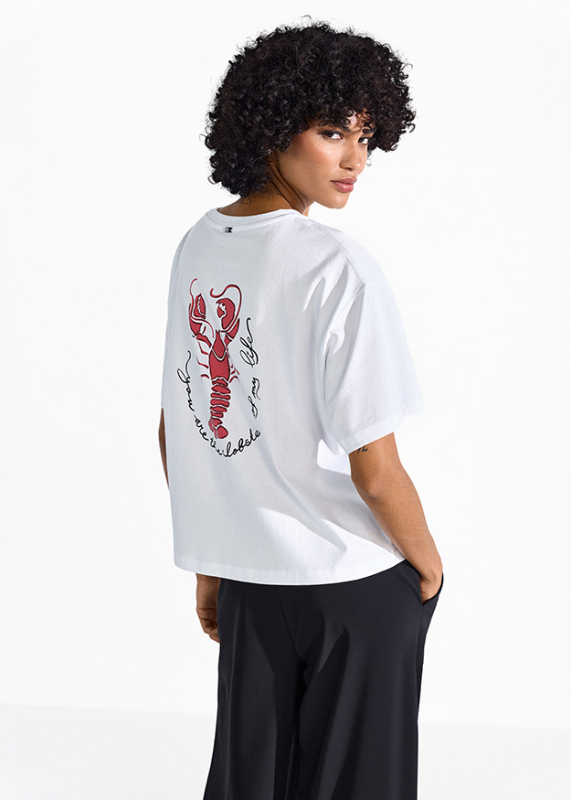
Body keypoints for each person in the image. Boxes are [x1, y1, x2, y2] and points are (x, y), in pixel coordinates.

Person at [158, 18, 444, 800]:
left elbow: (179, 427)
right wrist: (426, 564)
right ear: (271, 127)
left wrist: (214, 567)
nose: (355, 160)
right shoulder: (334, 266)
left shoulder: (198, 246)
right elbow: (374, 468)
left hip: (252, 584)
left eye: (365, 136)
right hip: (353, 587)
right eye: (331, 132)